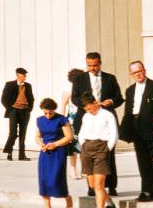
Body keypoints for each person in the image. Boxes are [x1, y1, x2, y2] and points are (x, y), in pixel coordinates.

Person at [71, 52, 123, 196]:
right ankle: (91, 187)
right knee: (87, 157)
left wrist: (110, 101)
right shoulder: (79, 79)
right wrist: (88, 106)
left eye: (95, 65)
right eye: (90, 66)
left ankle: (111, 186)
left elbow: (119, 98)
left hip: (105, 117)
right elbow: (74, 98)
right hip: (87, 117)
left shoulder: (110, 78)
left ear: (100, 63)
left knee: (109, 155)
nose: (93, 68)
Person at [119, 60, 153, 202]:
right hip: (136, 128)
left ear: (144, 70)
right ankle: (152, 191)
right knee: (142, 161)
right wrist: (124, 130)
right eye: (135, 73)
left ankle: (148, 191)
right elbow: (128, 111)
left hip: (152, 128)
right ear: (131, 74)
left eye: (140, 71)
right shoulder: (130, 90)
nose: (138, 74)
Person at [77, 93, 118, 208]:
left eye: (89, 108)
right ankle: (109, 202)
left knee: (99, 184)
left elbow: (114, 133)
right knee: (92, 185)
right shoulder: (86, 116)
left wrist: (107, 148)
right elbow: (81, 132)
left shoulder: (107, 115)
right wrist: (83, 145)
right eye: (86, 109)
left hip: (102, 148)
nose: (88, 111)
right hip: (87, 149)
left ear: (95, 103)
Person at [35, 98, 74, 208]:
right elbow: (37, 136)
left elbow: (69, 137)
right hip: (45, 153)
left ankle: (67, 198)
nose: (48, 115)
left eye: (50, 113)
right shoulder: (39, 120)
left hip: (58, 152)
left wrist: (55, 144)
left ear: (54, 110)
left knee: (57, 179)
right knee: (44, 181)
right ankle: (47, 206)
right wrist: (41, 143)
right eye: (45, 113)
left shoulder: (61, 119)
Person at [1, 67, 34, 161]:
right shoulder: (10, 84)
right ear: (18, 75)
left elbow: (31, 98)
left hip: (25, 111)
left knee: (23, 134)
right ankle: (9, 152)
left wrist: (29, 109)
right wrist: (10, 108)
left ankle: (21, 155)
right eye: (23, 75)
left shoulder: (28, 86)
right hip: (14, 111)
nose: (25, 77)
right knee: (13, 133)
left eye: (25, 75)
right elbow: (4, 99)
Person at [60, 68, 84, 180]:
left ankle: (84, 170)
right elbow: (63, 106)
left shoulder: (83, 90)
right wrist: (62, 122)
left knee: (83, 146)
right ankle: (73, 170)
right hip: (71, 121)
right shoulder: (68, 91)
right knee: (73, 148)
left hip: (83, 119)